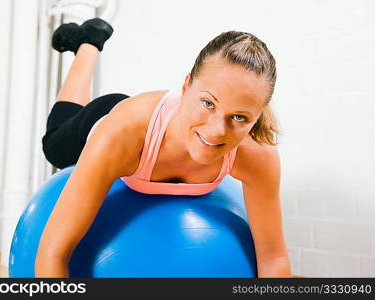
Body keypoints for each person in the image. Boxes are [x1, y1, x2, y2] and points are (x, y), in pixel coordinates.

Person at [35, 17, 292, 278]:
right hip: (109, 120)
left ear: (256, 117)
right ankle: (88, 44)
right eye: (208, 103)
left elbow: (274, 258)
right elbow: (52, 253)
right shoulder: (120, 135)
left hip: (145, 122)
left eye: (239, 117)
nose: (217, 131)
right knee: (54, 146)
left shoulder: (257, 154)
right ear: (186, 86)